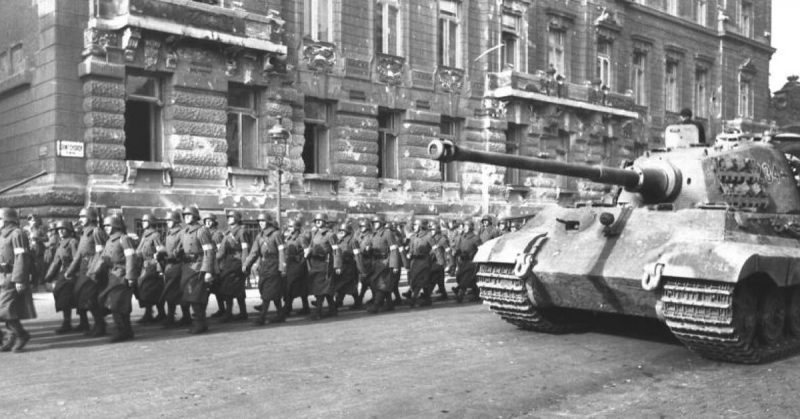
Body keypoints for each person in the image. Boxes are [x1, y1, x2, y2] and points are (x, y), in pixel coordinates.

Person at [65, 207, 108, 336]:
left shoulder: (96, 232)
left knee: (91, 298)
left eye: (83, 217)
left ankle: (100, 325)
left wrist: (96, 268)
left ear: (90, 218)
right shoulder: (84, 233)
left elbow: (104, 251)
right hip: (84, 268)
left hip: (93, 269)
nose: (80, 219)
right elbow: (78, 255)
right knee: (79, 294)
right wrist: (70, 271)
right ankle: (85, 323)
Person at [96, 215, 137, 342]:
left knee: (117, 304)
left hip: (122, 275)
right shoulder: (109, 241)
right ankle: (127, 330)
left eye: (109, 225)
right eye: (106, 226)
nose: (107, 228)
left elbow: (131, 258)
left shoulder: (124, 239)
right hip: (112, 275)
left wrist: (130, 276)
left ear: (116, 225)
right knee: (118, 304)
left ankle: (122, 331)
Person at [0, 208, 35, 352]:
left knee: (5, 309)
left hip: (12, 277)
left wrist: (20, 279)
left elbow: (21, 258)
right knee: (7, 310)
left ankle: (21, 335)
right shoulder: (3, 236)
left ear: (7, 219)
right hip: (3, 277)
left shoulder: (17, 234)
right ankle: (12, 336)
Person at [178, 206, 216, 334]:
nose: (187, 217)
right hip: (188, 267)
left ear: (195, 216)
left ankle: (199, 323)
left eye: (190, 215)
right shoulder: (185, 231)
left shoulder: (201, 231)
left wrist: (208, 271)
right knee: (191, 296)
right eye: (185, 215)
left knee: (196, 297)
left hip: (199, 267)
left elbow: (209, 251)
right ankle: (201, 323)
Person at [243, 212, 286, 325]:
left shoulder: (276, 234)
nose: (261, 223)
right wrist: (246, 264)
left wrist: (282, 267)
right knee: (269, 290)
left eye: (263, 221)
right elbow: (254, 252)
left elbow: (282, 252)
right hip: (264, 265)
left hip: (274, 265)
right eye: (260, 221)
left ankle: (262, 317)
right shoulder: (259, 236)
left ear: (268, 222)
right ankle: (281, 314)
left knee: (268, 292)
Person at [44, 220, 79, 334]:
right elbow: (55, 262)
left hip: (72, 273)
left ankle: (68, 323)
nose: (60, 231)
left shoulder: (73, 242)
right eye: (58, 230)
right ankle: (68, 322)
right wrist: (47, 277)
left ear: (69, 230)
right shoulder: (61, 243)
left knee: (67, 296)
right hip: (64, 273)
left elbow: (76, 259)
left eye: (63, 229)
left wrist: (70, 272)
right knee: (59, 293)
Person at [215, 210, 250, 322]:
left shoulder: (241, 231)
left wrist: (244, 265)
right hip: (229, 264)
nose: (229, 218)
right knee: (229, 289)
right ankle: (234, 313)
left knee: (235, 289)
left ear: (237, 218)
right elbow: (221, 252)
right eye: (228, 217)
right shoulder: (227, 232)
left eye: (231, 217)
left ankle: (237, 313)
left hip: (237, 263)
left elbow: (245, 249)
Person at [159, 210, 190, 327]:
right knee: (170, 292)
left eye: (169, 220)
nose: (167, 222)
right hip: (169, 266)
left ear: (176, 220)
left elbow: (183, 248)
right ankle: (171, 316)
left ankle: (184, 316)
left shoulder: (182, 232)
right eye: (167, 220)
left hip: (178, 266)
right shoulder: (169, 233)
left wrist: (173, 254)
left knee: (179, 293)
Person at [364, 215, 401, 314]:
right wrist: (368, 249)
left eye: (377, 222)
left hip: (385, 262)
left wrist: (394, 265)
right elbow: (370, 248)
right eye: (373, 223)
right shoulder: (373, 234)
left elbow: (394, 249)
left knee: (382, 284)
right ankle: (389, 304)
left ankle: (376, 305)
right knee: (376, 283)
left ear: (381, 223)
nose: (374, 224)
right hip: (376, 262)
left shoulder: (387, 233)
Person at [134, 214, 166, 324]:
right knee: (145, 290)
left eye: (145, 221)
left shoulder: (155, 235)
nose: (143, 223)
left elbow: (160, 249)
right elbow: (139, 251)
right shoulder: (145, 235)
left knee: (151, 291)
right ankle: (151, 313)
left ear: (150, 222)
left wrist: (156, 260)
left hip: (152, 266)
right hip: (145, 266)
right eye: (142, 221)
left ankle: (156, 314)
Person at [305, 213, 336, 320]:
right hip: (315, 264)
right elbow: (311, 246)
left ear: (325, 222)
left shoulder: (330, 235)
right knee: (324, 288)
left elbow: (336, 251)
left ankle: (318, 312)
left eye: (320, 220)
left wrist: (337, 265)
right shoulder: (315, 233)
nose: (318, 222)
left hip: (325, 264)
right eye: (316, 220)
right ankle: (333, 309)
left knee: (320, 289)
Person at [282, 219, 310, 316]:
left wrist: (301, 263)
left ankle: (287, 307)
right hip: (290, 265)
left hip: (298, 266)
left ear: (296, 228)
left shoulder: (301, 238)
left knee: (291, 287)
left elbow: (307, 251)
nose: (289, 229)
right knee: (300, 288)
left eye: (291, 227)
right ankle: (305, 307)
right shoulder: (289, 238)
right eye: (289, 227)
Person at [405, 219, 435, 307]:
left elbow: (435, 249)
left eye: (416, 225)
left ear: (421, 226)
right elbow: (411, 248)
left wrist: (438, 261)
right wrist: (409, 254)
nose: (414, 227)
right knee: (417, 281)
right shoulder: (413, 237)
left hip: (424, 262)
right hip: (414, 262)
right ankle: (427, 299)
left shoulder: (428, 237)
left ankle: (413, 299)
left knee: (419, 281)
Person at [202, 213, 226, 320]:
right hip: (207, 263)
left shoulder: (217, 235)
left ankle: (221, 310)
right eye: (206, 220)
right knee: (209, 290)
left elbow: (221, 251)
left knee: (214, 290)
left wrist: (213, 260)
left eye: (210, 220)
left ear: (214, 222)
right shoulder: (204, 233)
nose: (208, 222)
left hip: (216, 266)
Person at [331, 221, 359, 309]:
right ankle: (339, 301)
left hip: (349, 266)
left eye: (343, 231)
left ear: (348, 232)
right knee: (344, 285)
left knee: (346, 285)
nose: (341, 232)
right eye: (340, 231)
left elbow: (357, 255)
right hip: (342, 265)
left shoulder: (352, 241)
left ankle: (357, 302)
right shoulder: (339, 241)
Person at [452, 220, 481, 303]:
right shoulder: (462, 237)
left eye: (466, 226)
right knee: (461, 277)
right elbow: (458, 247)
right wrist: (456, 251)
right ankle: (477, 294)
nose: (464, 227)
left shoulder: (475, 238)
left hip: (471, 262)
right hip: (462, 261)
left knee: (465, 279)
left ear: (471, 227)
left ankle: (460, 295)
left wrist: (475, 257)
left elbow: (480, 249)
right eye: (464, 226)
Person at [429, 221, 450, 301]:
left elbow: (448, 251)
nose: (431, 231)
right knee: (440, 280)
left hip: (439, 261)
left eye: (433, 229)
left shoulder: (443, 239)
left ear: (437, 230)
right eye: (431, 229)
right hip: (434, 261)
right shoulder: (432, 238)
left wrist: (448, 264)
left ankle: (427, 294)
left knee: (434, 279)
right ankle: (444, 294)